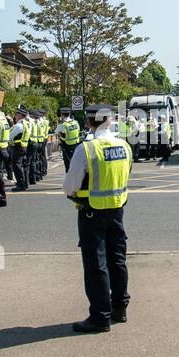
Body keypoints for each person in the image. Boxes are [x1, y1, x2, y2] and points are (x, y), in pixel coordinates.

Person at [63, 105, 132, 332]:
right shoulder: (124, 146)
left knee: (96, 265)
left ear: (89, 122)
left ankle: (100, 317)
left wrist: (77, 194)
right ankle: (120, 308)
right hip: (117, 210)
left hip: (92, 212)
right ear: (110, 121)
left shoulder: (87, 149)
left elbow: (70, 186)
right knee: (118, 260)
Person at [10, 107, 30, 191]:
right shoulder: (27, 123)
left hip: (18, 147)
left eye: (16, 114)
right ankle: (25, 183)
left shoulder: (19, 125)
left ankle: (20, 185)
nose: (15, 116)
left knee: (17, 166)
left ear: (19, 115)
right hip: (24, 146)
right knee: (23, 166)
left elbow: (10, 136)